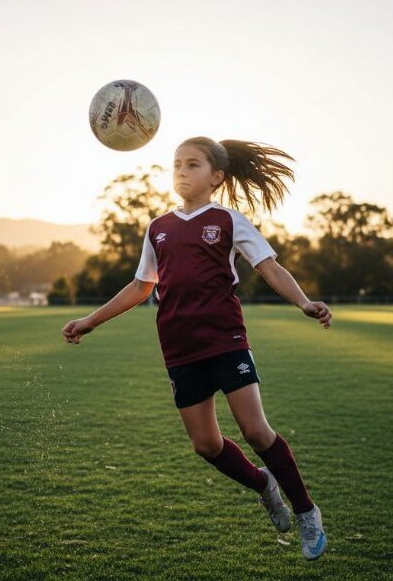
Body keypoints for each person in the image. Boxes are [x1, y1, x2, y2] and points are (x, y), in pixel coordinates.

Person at [61, 137, 332, 560]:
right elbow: (139, 286)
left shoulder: (227, 220)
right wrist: (90, 320)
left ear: (216, 177)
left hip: (226, 341)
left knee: (256, 430)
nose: (182, 172)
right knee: (205, 445)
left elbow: (269, 267)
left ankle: (306, 511)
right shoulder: (158, 228)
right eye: (177, 165)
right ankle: (264, 485)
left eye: (193, 165)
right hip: (179, 348)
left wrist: (304, 302)